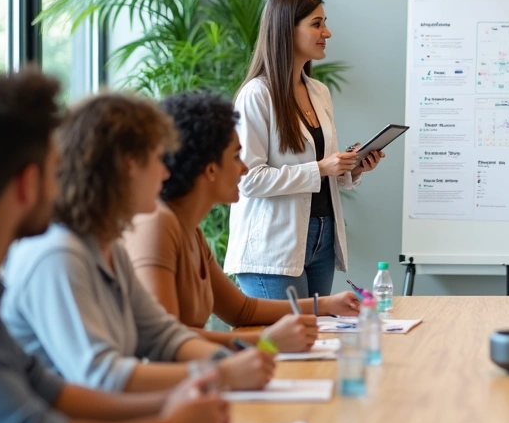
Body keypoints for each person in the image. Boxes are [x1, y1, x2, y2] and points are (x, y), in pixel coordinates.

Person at [0, 71, 226, 423]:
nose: (67, 182)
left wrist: (176, 401)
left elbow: (47, 391)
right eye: (56, 170)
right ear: (27, 183)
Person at [1, 92, 277, 392]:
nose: (166, 171)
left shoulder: (109, 248)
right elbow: (103, 376)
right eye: (158, 157)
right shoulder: (58, 255)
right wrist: (223, 373)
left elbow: (163, 335)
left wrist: (229, 363)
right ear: (130, 165)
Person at [123, 90, 361, 350]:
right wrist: (267, 342)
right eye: (237, 156)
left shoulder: (190, 231)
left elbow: (242, 311)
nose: (245, 169)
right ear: (210, 169)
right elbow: (164, 339)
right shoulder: (158, 225)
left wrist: (324, 305)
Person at [225, 0, 384, 299]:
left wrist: (353, 167)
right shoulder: (257, 95)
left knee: (317, 340)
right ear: (287, 29)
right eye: (316, 24)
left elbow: (325, 170)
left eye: (324, 23)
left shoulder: (318, 91)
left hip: (321, 238)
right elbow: (248, 179)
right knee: (286, 345)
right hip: (272, 250)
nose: (327, 32)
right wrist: (321, 168)